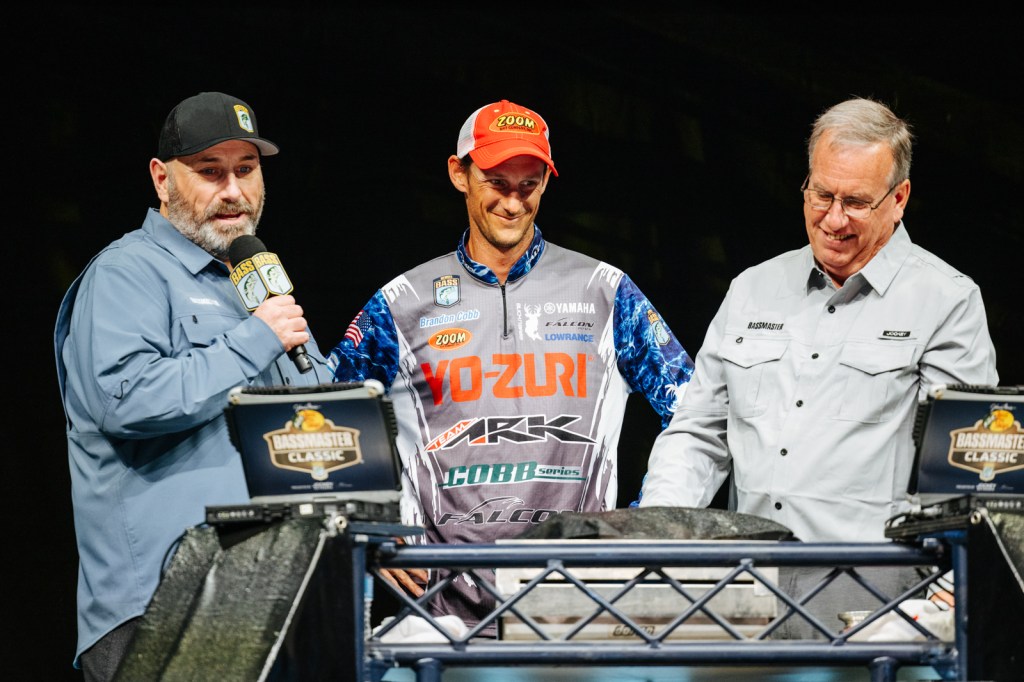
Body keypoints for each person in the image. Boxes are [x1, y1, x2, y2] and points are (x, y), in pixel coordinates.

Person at [327, 99, 694, 631]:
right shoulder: (401, 301)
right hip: (440, 609)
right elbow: (328, 419)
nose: (513, 202)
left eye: (529, 185)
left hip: (580, 600)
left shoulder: (605, 290)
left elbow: (694, 411)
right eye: (497, 182)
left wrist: (645, 522)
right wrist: (371, 522)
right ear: (459, 174)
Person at [638, 97, 998, 636]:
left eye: (855, 202)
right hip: (742, 594)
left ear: (899, 198)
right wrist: (654, 539)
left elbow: (964, 473)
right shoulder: (751, 289)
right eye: (822, 194)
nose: (833, 219)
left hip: (875, 602)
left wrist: (941, 603)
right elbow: (697, 434)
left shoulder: (948, 302)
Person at [54, 91, 331, 679]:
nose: (233, 191)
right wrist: (256, 339)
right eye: (210, 172)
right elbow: (126, 398)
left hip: (276, 598)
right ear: (162, 179)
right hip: (166, 607)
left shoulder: (258, 287)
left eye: (246, 170)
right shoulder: (126, 273)